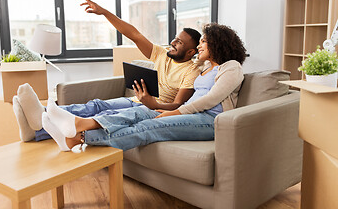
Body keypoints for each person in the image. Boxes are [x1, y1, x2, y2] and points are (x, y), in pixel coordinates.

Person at [26, 23, 247, 152]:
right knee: (138, 111)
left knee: (149, 127)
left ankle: (78, 137)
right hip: (191, 113)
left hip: (210, 121)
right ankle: (78, 127)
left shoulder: (231, 67)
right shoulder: (205, 66)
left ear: (218, 43)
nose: (200, 46)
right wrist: (162, 107)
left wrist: (173, 111)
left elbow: (209, 100)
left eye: (204, 42)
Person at [12, 0, 201, 142]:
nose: (173, 42)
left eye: (180, 42)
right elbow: (134, 34)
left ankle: (39, 125)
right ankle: (41, 117)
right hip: (137, 101)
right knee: (95, 105)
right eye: (175, 38)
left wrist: (153, 103)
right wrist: (104, 12)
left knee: (104, 115)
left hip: (154, 109)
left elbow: (178, 105)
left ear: (191, 51)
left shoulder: (191, 71)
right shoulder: (162, 54)